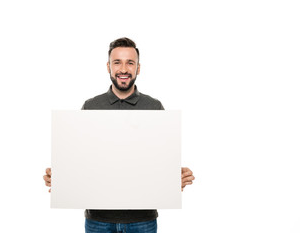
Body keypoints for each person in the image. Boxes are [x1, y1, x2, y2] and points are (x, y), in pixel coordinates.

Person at [43, 37, 195, 233]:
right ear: (108, 67)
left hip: (143, 220)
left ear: (138, 68)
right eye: (117, 62)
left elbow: (160, 159)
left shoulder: (154, 108)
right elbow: (79, 158)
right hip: (98, 219)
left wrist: (174, 178)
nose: (123, 69)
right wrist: (62, 177)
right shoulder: (91, 107)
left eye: (130, 63)